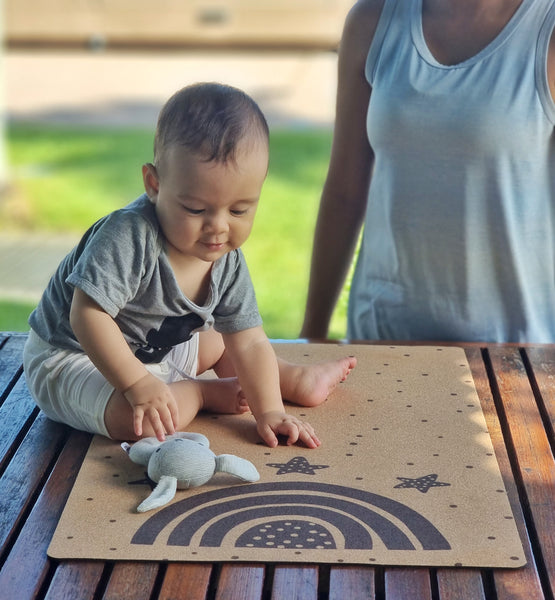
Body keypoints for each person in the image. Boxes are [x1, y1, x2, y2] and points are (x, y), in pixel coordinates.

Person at [23, 82, 356, 449]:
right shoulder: (130, 236)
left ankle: (292, 382)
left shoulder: (227, 261)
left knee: (225, 341)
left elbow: (249, 342)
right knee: (141, 422)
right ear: (154, 184)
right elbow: (87, 317)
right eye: (196, 209)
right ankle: (202, 394)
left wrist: (270, 411)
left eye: (239, 210)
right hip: (73, 356)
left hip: (151, 352)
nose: (218, 227)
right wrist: (138, 384)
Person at [301, 0, 555, 343]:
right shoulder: (372, 20)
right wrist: (312, 333)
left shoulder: (546, 26)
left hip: (515, 351)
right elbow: (345, 192)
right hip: (380, 339)